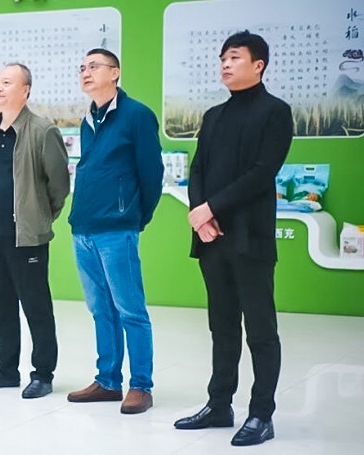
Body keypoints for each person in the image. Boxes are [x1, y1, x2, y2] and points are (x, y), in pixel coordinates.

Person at [173, 31, 293, 447]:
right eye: (223, 58)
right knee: (221, 325)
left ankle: (261, 414)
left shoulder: (276, 112)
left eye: (235, 57)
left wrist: (210, 208)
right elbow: (198, 169)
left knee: (260, 330)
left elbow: (262, 172)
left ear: (259, 65)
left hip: (250, 236)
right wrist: (199, 214)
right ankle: (219, 404)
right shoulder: (213, 116)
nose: (225, 63)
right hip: (212, 238)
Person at [66, 49, 164, 415]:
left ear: (115, 72)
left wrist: (135, 217)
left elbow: (152, 174)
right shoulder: (88, 119)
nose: (86, 72)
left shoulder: (137, 115)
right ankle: (107, 381)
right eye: (82, 67)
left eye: (94, 66)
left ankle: (141, 385)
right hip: (84, 228)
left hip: (117, 229)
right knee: (100, 310)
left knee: (130, 310)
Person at [0, 63, 70, 399]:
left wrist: (39, 218)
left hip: (27, 237)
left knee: (36, 307)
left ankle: (42, 373)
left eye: (7, 82)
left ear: (25, 90)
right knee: (2, 307)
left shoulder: (43, 130)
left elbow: (59, 186)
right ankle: (6, 369)